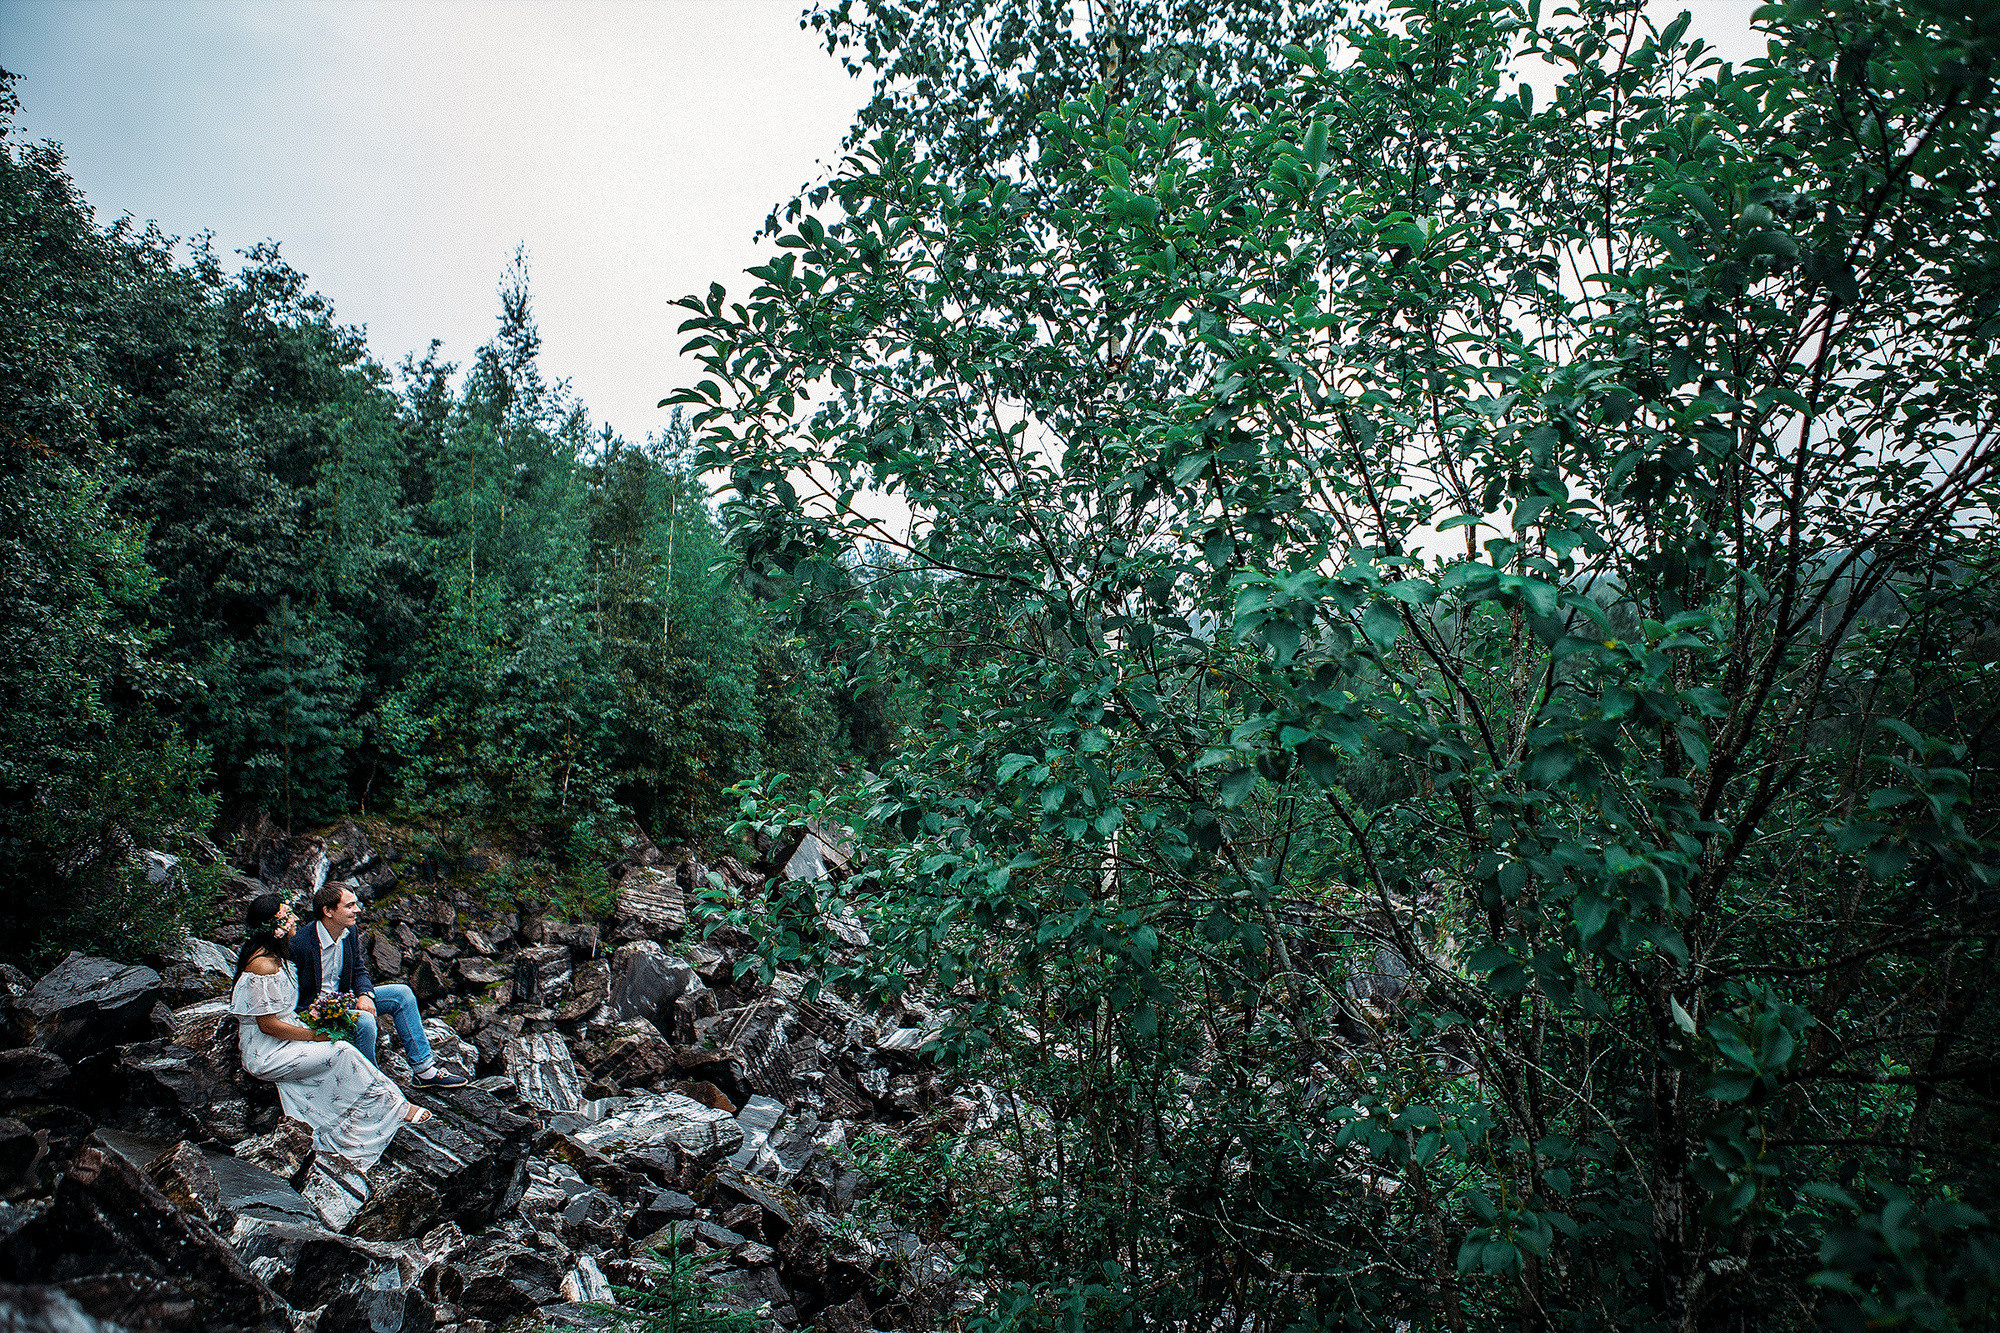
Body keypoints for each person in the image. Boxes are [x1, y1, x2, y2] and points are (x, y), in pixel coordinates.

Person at [228, 894, 429, 1187]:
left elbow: (355, 970)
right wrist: (314, 1035)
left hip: (286, 1035)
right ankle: (395, 1106)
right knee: (341, 1051)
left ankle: (384, 1101)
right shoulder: (263, 966)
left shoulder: (276, 957)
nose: (295, 918)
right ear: (275, 928)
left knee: (348, 1042)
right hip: (266, 1052)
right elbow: (268, 1025)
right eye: (287, 917)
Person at [292, 883, 468, 1089]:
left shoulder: (348, 931)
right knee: (365, 1021)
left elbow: (358, 969)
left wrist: (365, 994)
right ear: (328, 911)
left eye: (355, 904)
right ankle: (371, 1082)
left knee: (401, 994)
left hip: (343, 1000)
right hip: (315, 1012)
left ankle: (424, 1071)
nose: (357, 910)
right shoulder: (300, 944)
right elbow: (291, 992)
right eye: (349, 906)